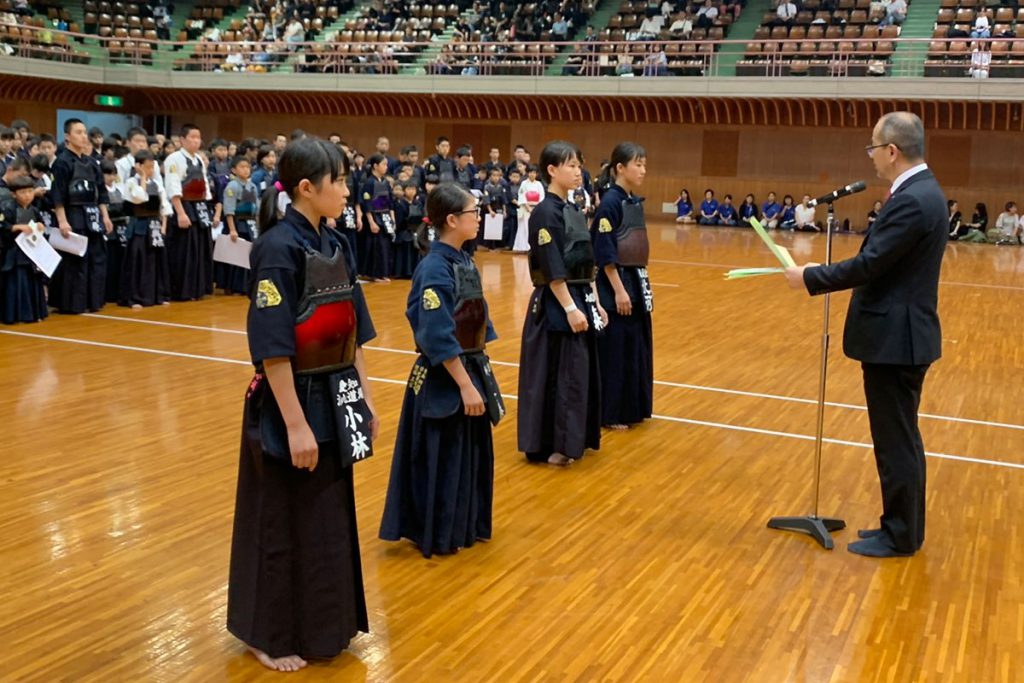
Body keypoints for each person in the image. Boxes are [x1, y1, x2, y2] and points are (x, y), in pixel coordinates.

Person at [227, 138, 379, 671]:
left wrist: (362, 399)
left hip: (335, 396)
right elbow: (272, 348)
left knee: (327, 517)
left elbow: (354, 330)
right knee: (280, 520)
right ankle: (264, 632)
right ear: (307, 188)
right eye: (338, 181)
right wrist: (294, 425)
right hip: (289, 402)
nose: (346, 189)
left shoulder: (337, 242)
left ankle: (325, 624)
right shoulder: (276, 248)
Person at [784, 112, 947, 558]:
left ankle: (900, 535)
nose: (871, 157)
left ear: (892, 151)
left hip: (897, 340)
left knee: (896, 443)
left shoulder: (913, 200)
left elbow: (870, 263)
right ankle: (899, 527)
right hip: (901, 336)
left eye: (873, 148)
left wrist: (812, 276)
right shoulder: (922, 192)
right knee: (901, 439)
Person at [379, 183, 503, 557]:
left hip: (467, 367)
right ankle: (434, 529)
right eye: (473, 212)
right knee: (440, 457)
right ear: (451, 220)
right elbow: (436, 334)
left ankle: (461, 525)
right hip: (442, 378)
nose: (478, 218)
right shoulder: (434, 268)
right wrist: (465, 385)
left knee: (463, 456)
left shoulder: (463, 259)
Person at [518, 141, 608, 466]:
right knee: (558, 373)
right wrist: (570, 308)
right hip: (556, 304)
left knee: (577, 373)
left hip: (580, 296)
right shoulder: (544, 213)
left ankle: (573, 439)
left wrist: (594, 302)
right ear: (552, 170)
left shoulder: (573, 209)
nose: (577, 171)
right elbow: (552, 264)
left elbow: (585, 260)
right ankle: (552, 443)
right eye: (570, 165)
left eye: (578, 164)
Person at [591, 142, 653, 431]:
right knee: (616, 350)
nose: (643, 169)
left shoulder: (633, 201)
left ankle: (632, 407)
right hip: (617, 284)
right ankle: (610, 411)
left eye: (644, 164)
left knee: (634, 347)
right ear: (620, 168)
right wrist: (617, 290)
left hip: (636, 281)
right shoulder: (610, 204)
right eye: (637, 164)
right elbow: (604, 252)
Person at [50, 118, 113, 314]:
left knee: (96, 258)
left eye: (84, 132)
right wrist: (62, 220)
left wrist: (105, 216)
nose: (83, 136)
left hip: (93, 215)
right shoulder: (62, 162)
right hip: (73, 214)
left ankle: (92, 301)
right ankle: (73, 303)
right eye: (78, 132)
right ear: (67, 136)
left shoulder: (92, 163)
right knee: (75, 261)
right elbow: (58, 194)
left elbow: (101, 192)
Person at [164, 124, 213, 301]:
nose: (196, 141)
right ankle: (181, 290)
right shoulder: (174, 159)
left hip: (200, 207)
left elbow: (205, 185)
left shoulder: (199, 160)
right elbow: (173, 186)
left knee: (200, 248)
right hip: (184, 206)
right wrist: (181, 213)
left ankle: (197, 288)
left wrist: (207, 207)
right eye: (192, 137)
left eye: (198, 137)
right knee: (184, 250)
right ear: (182, 140)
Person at [121, 149, 171, 308]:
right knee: (138, 262)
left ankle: (158, 294)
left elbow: (165, 206)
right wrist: (142, 177)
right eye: (147, 167)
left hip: (154, 226)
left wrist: (163, 226)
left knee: (156, 261)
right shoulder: (130, 182)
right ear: (138, 166)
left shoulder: (157, 184)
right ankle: (135, 297)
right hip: (138, 226)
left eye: (152, 167)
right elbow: (139, 198)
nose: (151, 170)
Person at [0, 174, 48, 323]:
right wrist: (16, 227)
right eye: (22, 192)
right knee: (16, 282)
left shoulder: (34, 210)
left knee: (32, 280)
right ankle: (15, 315)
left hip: (31, 252)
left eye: (30, 191)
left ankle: (33, 313)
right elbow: (2, 226)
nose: (27, 195)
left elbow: (41, 224)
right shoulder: (7, 208)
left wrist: (41, 226)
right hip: (14, 253)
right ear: (13, 194)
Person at [217, 155, 260, 295]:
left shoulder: (252, 186)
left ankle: (247, 284)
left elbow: (257, 208)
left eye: (248, 167)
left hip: (251, 223)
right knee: (236, 257)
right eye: (242, 167)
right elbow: (229, 209)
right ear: (234, 170)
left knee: (249, 255)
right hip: (237, 223)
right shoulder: (232, 186)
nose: (246, 170)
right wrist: (232, 229)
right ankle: (233, 285)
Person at [358, 153, 394, 282]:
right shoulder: (369, 182)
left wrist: (392, 218)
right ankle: (373, 274)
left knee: (385, 246)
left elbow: (390, 202)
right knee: (375, 247)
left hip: (384, 217)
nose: (386, 167)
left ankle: (383, 272)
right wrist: (372, 222)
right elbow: (367, 203)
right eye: (384, 164)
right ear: (375, 166)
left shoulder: (385, 182)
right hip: (373, 217)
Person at [103, 159, 130, 303]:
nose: (111, 178)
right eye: (108, 174)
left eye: (113, 174)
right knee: (110, 262)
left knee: (120, 261)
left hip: (121, 230)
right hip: (109, 230)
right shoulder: (100, 191)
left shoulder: (120, 189)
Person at [513, 164, 543, 252]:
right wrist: (528, 207)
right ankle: (522, 247)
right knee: (524, 227)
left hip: (536, 209)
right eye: (530, 172)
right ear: (527, 173)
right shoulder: (524, 183)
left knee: (534, 228)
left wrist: (535, 208)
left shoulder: (539, 184)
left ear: (536, 174)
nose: (532, 174)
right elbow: (522, 196)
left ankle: (533, 247)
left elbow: (542, 197)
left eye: (534, 172)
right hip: (526, 209)